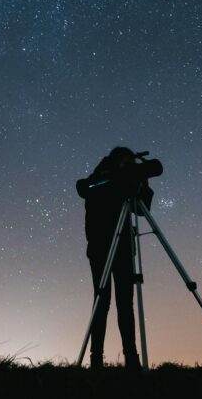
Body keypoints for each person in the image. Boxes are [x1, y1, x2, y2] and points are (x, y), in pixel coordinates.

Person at [77, 147, 143, 370]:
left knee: (124, 303)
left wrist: (138, 180)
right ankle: (97, 358)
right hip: (102, 247)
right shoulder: (101, 177)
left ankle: (131, 357)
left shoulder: (122, 178)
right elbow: (88, 191)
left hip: (120, 247)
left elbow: (142, 208)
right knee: (102, 302)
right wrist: (122, 179)